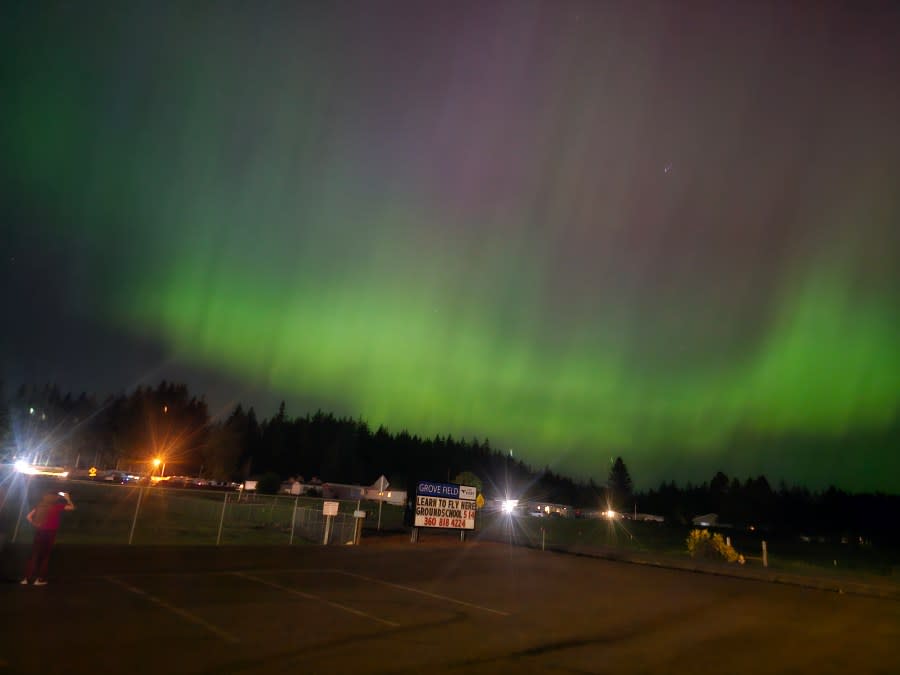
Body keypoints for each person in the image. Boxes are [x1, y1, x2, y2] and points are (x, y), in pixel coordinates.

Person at [21, 490, 75, 586]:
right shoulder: (57, 506)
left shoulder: (40, 505)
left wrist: (36, 524)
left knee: (34, 555)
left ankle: (26, 579)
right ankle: (40, 579)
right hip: (50, 533)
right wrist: (68, 499)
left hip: (39, 532)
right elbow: (72, 507)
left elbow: (28, 516)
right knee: (45, 556)